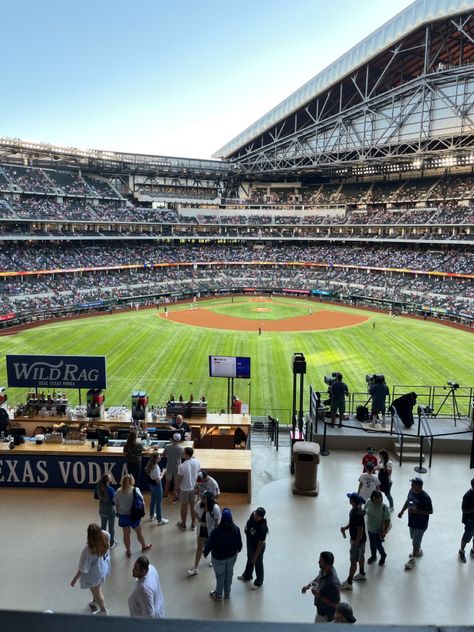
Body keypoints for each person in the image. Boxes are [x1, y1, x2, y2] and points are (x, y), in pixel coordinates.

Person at [70, 523, 111, 616]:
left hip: (94, 575)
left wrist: (74, 579)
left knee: (97, 592)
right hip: (102, 567)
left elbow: (82, 568)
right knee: (97, 588)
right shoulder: (105, 537)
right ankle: (94, 601)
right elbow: (108, 536)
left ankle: (103, 610)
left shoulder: (88, 550)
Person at [204, 507, 242, 601]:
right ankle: (227, 593)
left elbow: (210, 544)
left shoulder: (216, 532)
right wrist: (238, 550)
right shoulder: (236, 529)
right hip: (232, 556)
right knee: (229, 574)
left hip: (218, 559)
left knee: (220, 576)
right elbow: (239, 543)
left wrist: (205, 553)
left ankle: (218, 595)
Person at [398, 477, 433, 570]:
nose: (411, 486)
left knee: (415, 542)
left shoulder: (425, 497)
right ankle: (418, 550)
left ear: (419, 487)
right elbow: (408, 501)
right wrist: (402, 511)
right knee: (413, 537)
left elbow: (430, 511)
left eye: (413, 484)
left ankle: (413, 560)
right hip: (412, 521)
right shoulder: (411, 491)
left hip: (421, 524)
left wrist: (417, 511)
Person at [115, 474, 152, 558]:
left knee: (126, 534)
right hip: (134, 515)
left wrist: (117, 512)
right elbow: (142, 502)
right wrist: (144, 512)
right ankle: (144, 546)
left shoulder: (118, 491)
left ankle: (128, 550)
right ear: (132, 481)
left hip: (123, 515)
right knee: (139, 533)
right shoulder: (136, 490)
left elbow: (116, 504)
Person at [187, 491, 221, 576]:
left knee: (212, 546)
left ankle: (213, 560)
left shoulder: (215, 508)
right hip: (201, 529)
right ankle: (195, 567)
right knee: (199, 548)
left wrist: (215, 532)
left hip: (211, 530)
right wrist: (198, 518)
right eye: (202, 497)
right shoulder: (199, 504)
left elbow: (216, 522)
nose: (202, 498)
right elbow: (194, 511)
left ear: (209, 499)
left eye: (204, 497)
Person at [301, 551, 341, 623]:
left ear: (327, 564)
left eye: (320, 560)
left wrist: (320, 596)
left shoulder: (333, 583)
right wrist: (308, 586)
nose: (318, 562)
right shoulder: (324, 570)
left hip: (327, 617)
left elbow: (336, 605)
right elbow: (318, 578)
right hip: (321, 611)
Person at [340, 492, 367, 590]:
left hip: (357, 541)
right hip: (361, 540)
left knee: (353, 562)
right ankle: (362, 573)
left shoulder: (357, 514)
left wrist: (355, 544)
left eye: (350, 498)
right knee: (361, 556)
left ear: (353, 501)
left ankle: (349, 582)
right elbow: (353, 523)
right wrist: (346, 528)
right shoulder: (356, 509)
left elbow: (360, 531)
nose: (349, 499)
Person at [238, 507, 268, 590]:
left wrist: (255, 555)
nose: (256, 516)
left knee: (257, 563)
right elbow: (248, 524)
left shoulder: (262, 528)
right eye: (256, 514)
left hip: (258, 547)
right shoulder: (252, 516)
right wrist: (245, 529)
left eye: (258, 516)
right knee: (249, 559)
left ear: (261, 517)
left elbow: (260, 543)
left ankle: (259, 582)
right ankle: (247, 575)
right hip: (250, 544)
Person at [176, 447, 201, 531]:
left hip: (184, 489)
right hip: (194, 488)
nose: (182, 453)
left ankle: (183, 525)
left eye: (183, 452)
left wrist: (176, 488)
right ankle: (193, 524)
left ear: (186, 454)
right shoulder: (197, 462)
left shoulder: (182, 466)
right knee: (193, 507)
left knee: (184, 508)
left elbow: (179, 479)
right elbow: (199, 475)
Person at [365, 490, 390, 565]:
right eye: (375, 498)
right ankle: (373, 556)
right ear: (372, 497)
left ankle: (383, 555)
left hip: (378, 530)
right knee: (372, 544)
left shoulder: (384, 507)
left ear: (381, 498)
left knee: (378, 545)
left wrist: (384, 532)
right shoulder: (369, 502)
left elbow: (387, 521)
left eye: (378, 498)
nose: (376, 500)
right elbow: (364, 510)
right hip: (370, 528)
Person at [94, 473, 118, 549]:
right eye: (110, 478)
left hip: (101, 510)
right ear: (108, 481)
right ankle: (111, 543)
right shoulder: (110, 489)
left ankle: (102, 542)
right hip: (110, 511)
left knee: (103, 527)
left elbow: (96, 497)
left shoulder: (98, 487)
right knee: (111, 528)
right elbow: (114, 501)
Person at [145, 451, 168, 526]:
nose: (160, 458)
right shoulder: (156, 468)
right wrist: (163, 473)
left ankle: (152, 516)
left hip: (150, 485)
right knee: (159, 502)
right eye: (158, 457)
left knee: (153, 500)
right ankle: (160, 520)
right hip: (156, 486)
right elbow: (158, 481)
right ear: (156, 459)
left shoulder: (150, 465)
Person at [163, 432, 183, 503]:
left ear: (172, 439)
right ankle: (175, 498)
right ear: (179, 440)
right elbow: (182, 457)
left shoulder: (167, 446)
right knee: (176, 484)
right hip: (178, 468)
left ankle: (165, 495)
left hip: (169, 467)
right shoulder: (181, 448)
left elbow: (164, 455)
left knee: (167, 482)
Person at [458, 478, 474, 563]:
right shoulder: (467, 496)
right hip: (470, 520)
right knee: (467, 536)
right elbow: (464, 510)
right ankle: (461, 551)